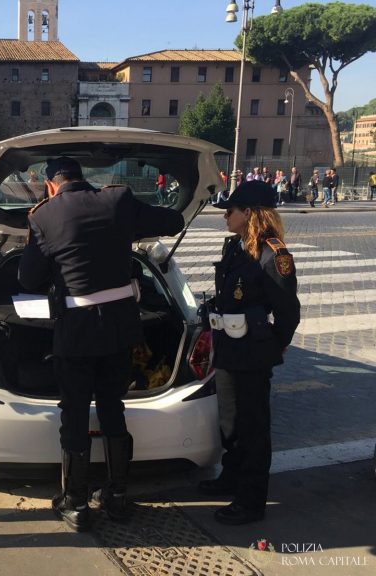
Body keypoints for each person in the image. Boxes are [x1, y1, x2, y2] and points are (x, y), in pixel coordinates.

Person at [18, 156, 184, 531]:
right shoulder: (119, 200)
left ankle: (75, 504)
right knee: (113, 409)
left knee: (74, 413)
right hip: (119, 331)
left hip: (74, 335)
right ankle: (118, 496)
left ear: (50, 185)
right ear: (83, 178)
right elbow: (173, 221)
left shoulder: (43, 216)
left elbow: (28, 278)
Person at [201, 180, 300, 525]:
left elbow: (288, 312)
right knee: (230, 422)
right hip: (228, 348)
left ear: (250, 214)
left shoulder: (274, 254)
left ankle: (251, 500)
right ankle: (231, 479)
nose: (225, 216)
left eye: (230, 211)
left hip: (253, 355)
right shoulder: (237, 248)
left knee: (253, 428)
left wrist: (274, 345)